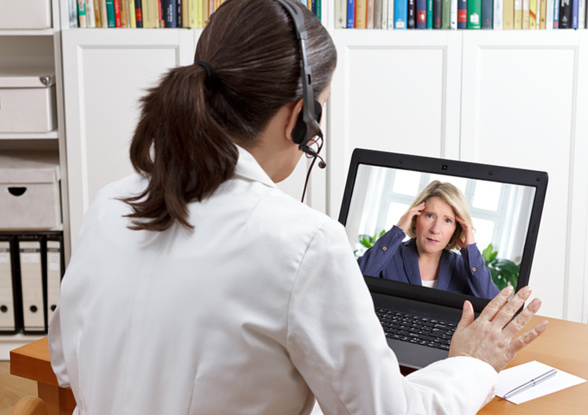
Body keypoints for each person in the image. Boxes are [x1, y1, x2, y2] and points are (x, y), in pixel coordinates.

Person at [48, 0, 548, 413]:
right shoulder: (304, 243)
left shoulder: (110, 203)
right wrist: (474, 362)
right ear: (299, 118)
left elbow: (65, 365)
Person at [358, 180, 500, 299]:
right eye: (430, 216)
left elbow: (494, 309)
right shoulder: (389, 256)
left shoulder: (465, 268)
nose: (435, 229)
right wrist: (397, 231)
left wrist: (471, 252)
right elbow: (353, 283)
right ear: (415, 218)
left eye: (448, 221)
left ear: (457, 229)